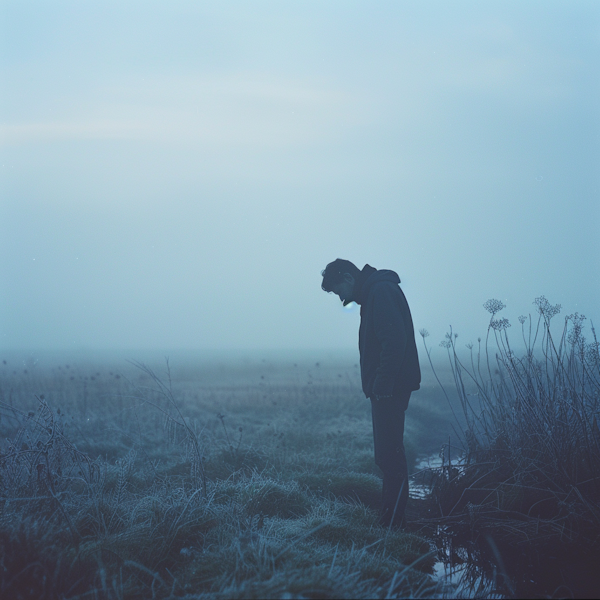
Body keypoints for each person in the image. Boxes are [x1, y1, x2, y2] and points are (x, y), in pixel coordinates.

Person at [321, 259, 421, 528]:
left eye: (338, 290)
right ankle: (392, 518)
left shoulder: (381, 292)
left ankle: (392, 522)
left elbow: (394, 342)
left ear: (348, 277)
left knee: (390, 455)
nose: (341, 297)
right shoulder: (376, 292)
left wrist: (382, 386)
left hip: (390, 389)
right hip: (388, 387)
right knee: (389, 454)